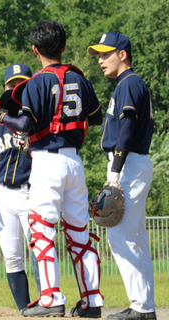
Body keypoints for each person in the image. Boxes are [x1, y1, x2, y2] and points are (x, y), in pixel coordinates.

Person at [0, 20, 104, 318]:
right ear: (64, 46)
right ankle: (92, 301)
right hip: (74, 162)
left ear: (35, 49)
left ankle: (51, 297)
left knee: (42, 231)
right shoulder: (79, 79)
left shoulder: (36, 82)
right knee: (79, 233)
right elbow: (95, 118)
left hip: (46, 161)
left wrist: (2, 116)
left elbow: (25, 124)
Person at [88, 32, 156, 320]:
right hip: (132, 162)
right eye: (99, 55)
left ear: (123, 54)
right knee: (134, 236)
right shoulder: (128, 84)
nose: (101, 60)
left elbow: (126, 130)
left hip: (128, 163)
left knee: (121, 235)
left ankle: (141, 308)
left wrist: (114, 171)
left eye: (106, 54)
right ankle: (144, 307)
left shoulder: (129, 84)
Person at [0, 63, 40, 311]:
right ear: (5, 88)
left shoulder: (37, 118)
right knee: (12, 256)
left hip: (32, 191)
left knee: (39, 250)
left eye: (21, 83)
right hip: (4, 194)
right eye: (12, 84)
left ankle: (48, 302)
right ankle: (24, 310)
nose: (16, 88)